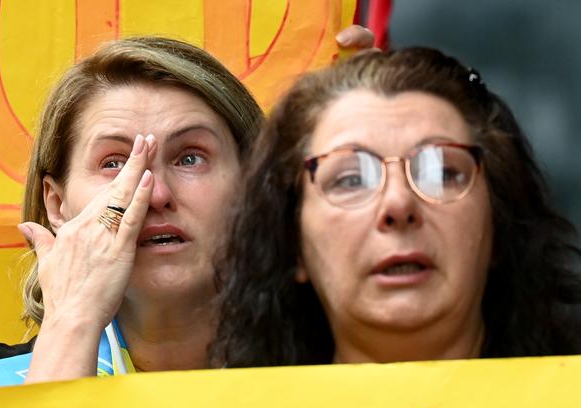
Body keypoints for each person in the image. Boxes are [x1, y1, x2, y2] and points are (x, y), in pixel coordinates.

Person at [0, 28, 375, 390]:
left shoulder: (336, 362)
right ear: (56, 204)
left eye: (190, 157)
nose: (157, 193)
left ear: (251, 186)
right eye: (114, 163)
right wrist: (71, 322)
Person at [214, 47, 581, 367]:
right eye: (351, 179)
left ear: (498, 223)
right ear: (292, 244)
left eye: (440, 172)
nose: (398, 203)